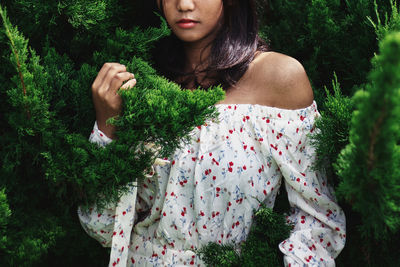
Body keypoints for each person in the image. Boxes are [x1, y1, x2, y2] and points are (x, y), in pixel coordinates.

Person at [78, 0, 346, 266]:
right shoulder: (139, 80)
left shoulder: (279, 78)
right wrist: (107, 125)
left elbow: (318, 221)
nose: (183, 4)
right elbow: (102, 227)